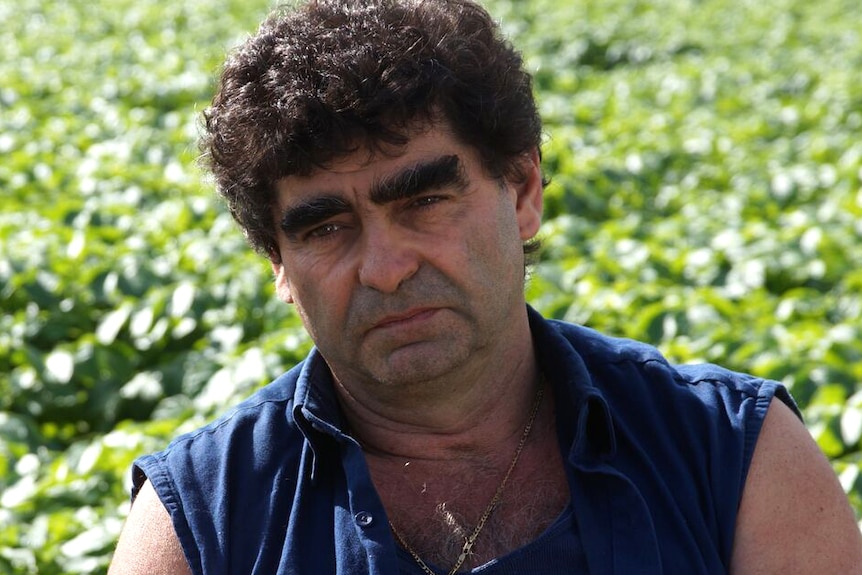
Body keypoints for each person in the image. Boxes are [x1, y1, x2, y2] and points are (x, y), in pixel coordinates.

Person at [108, 0, 862, 573]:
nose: (387, 267)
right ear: (278, 262)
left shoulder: (734, 457)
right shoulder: (201, 523)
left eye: (424, 202)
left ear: (523, 189)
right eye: (325, 228)